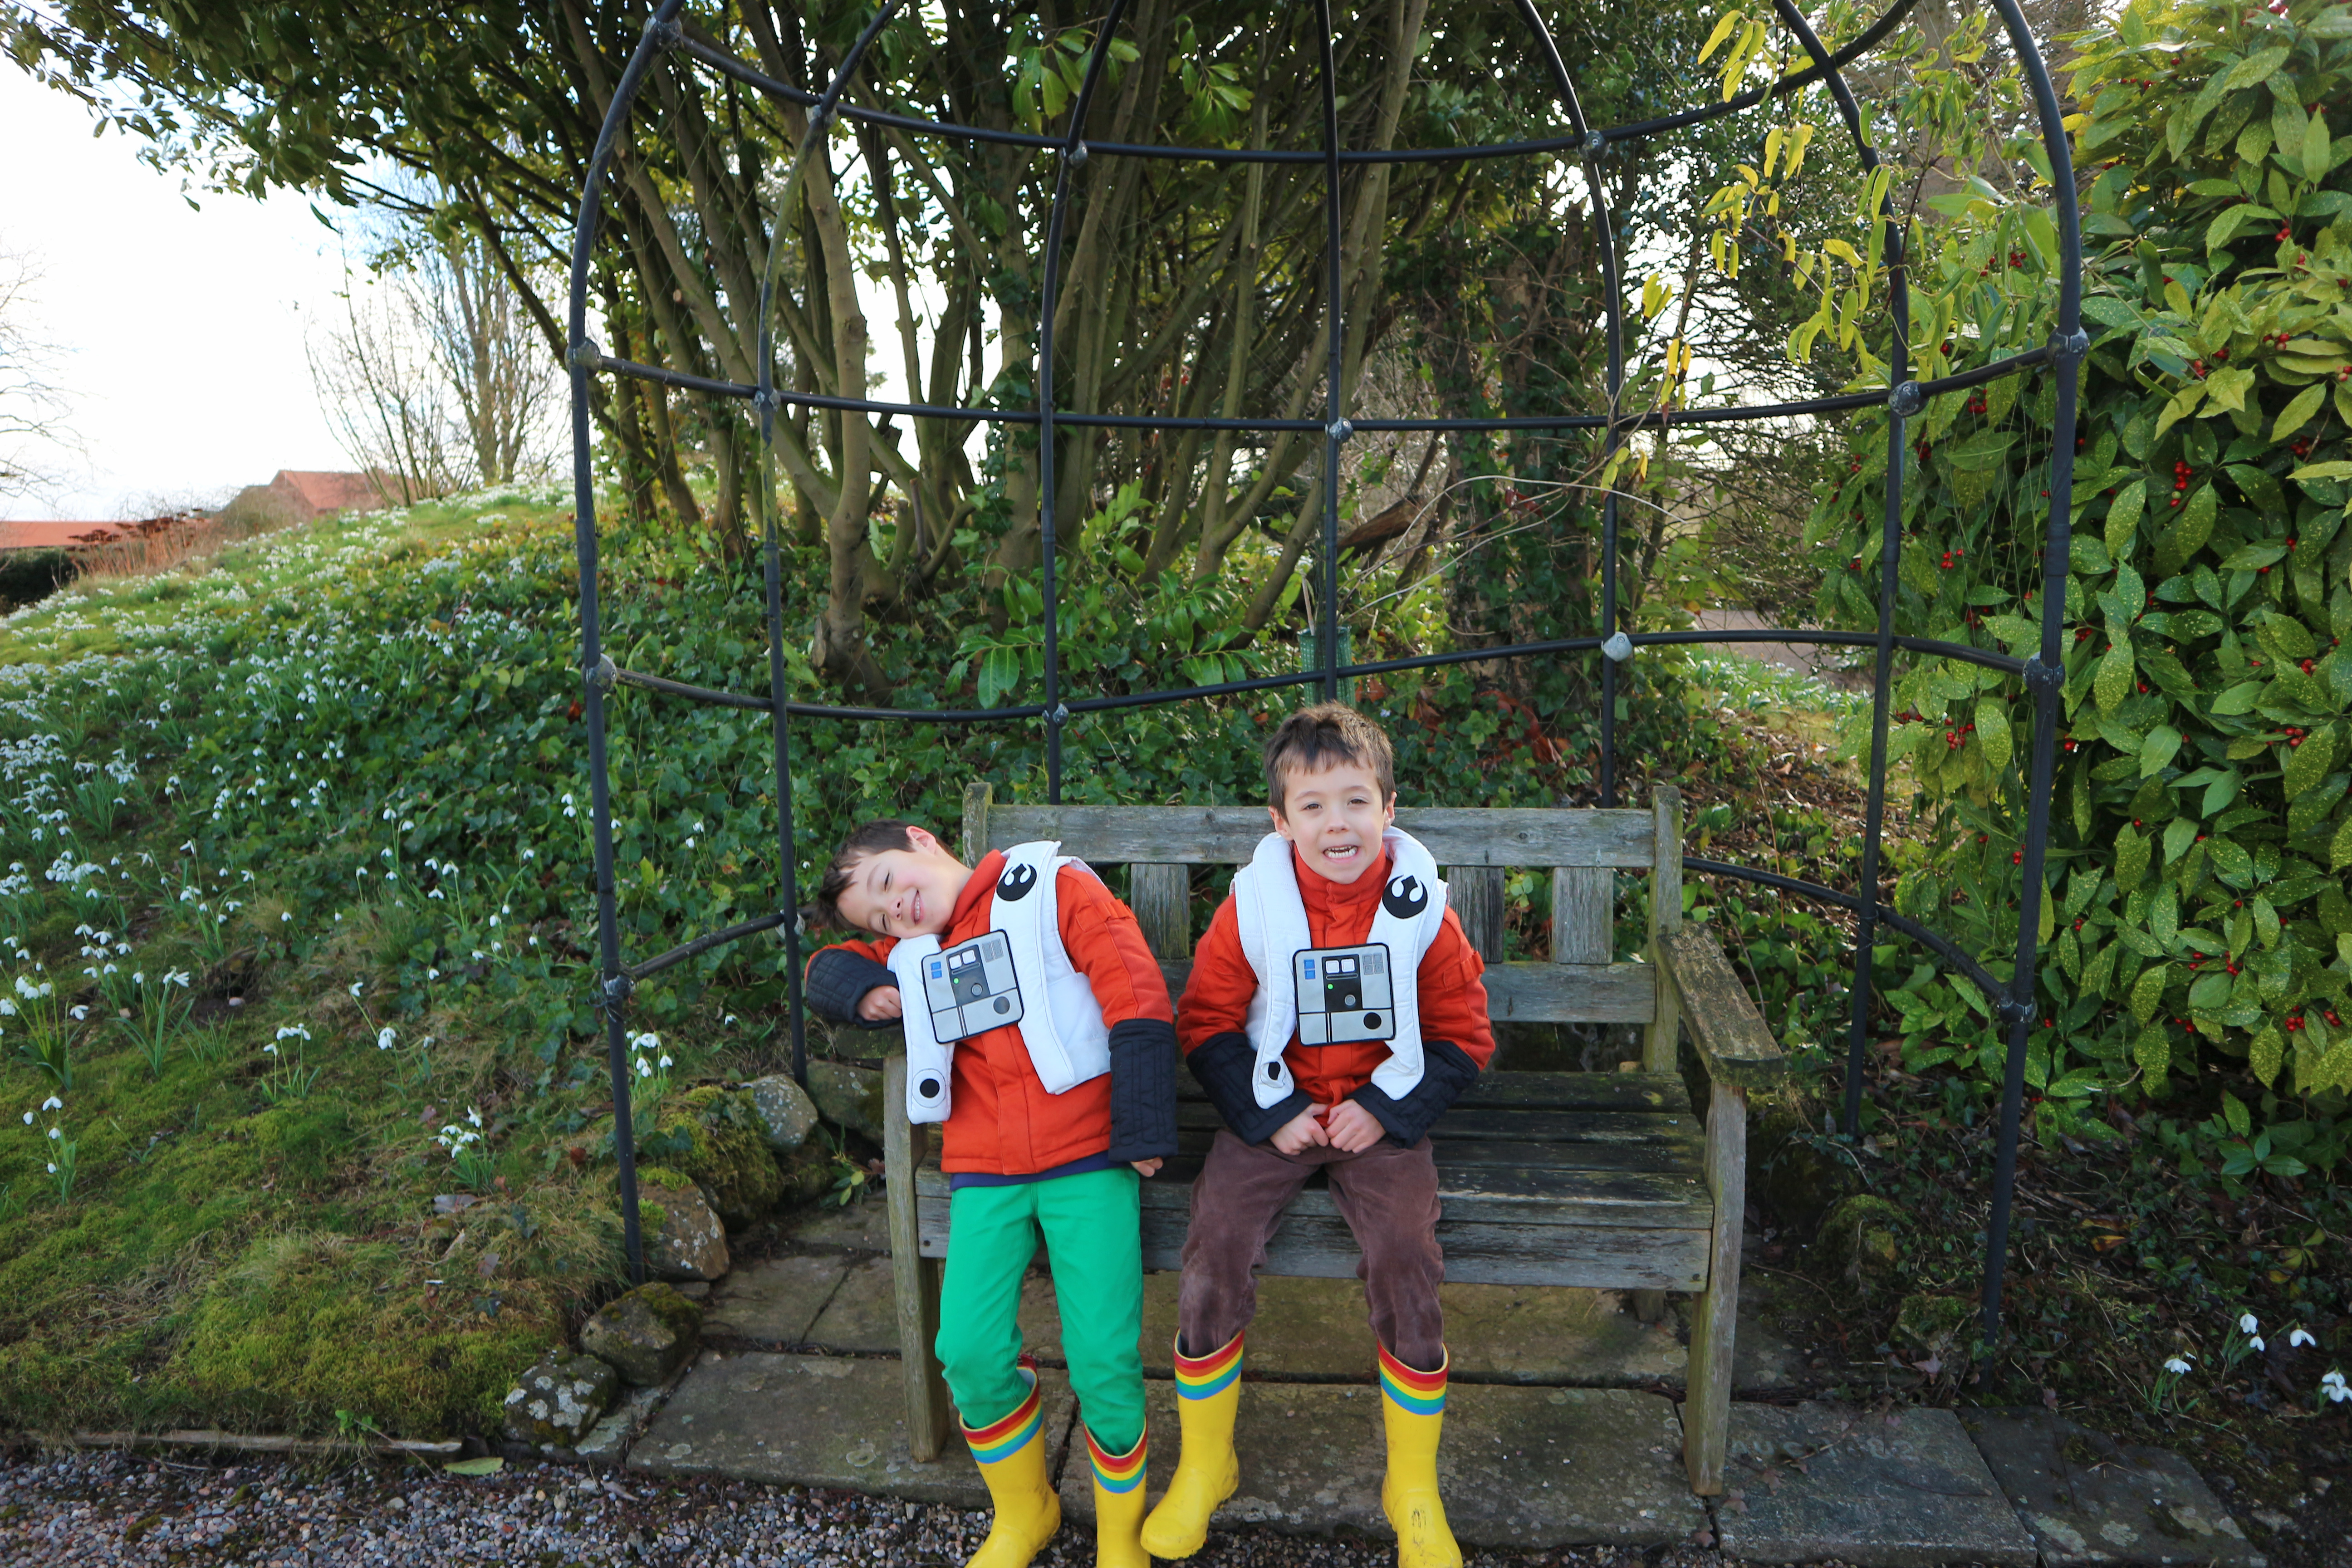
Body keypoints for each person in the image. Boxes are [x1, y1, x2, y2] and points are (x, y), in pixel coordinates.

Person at [1140, 703, 1494, 1568]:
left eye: (1356, 801)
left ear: (1389, 807)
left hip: (1382, 1111)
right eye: (1314, 806)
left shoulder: (1421, 908)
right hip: (1276, 1108)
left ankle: (1411, 1485)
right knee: (1215, 1238)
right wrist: (1268, 1115)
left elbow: (1464, 1035)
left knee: (1408, 1250)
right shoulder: (1256, 902)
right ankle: (1207, 1463)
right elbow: (1209, 1021)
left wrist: (1388, 1108)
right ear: (1280, 820)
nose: (1338, 823)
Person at [803, 818, 1177, 1568]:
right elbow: (820, 970)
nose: (896, 912)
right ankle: (1025, 1510)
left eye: (888, 884)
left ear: (922, 840)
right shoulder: (913, 952)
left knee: (1103, 1355)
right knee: (967, 1350)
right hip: (984, 1169)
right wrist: (870, 986)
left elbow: (1135, 992)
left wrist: (1142, 1132)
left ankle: (1119, 1537)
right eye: (878, 918)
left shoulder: (1052, 889)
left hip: (1090, 1156)